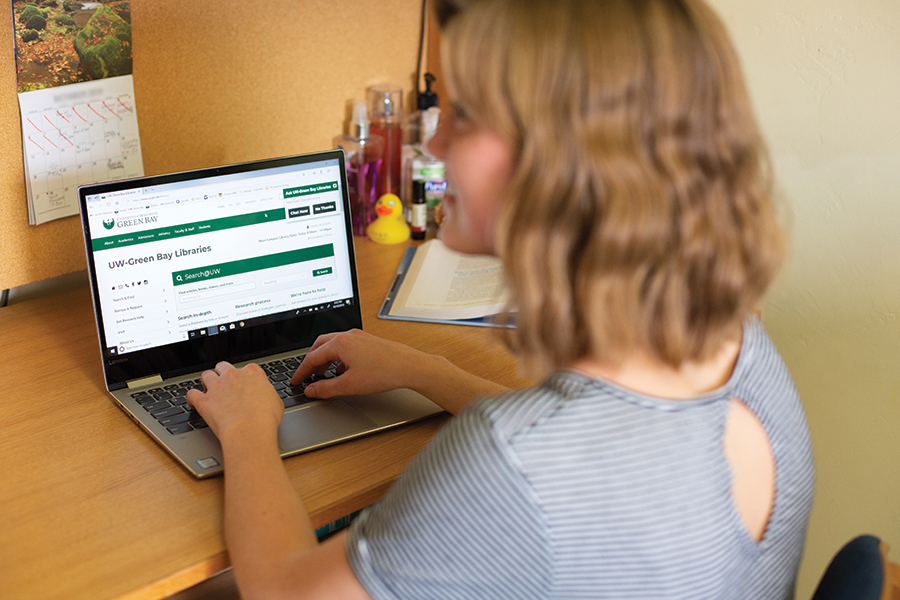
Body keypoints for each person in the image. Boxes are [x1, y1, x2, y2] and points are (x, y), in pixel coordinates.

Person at [186, 0, 815, 597]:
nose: (433, 146)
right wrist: (422, 370)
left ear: (561, 157)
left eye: (465, 116)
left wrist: (245, 430)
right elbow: (576, 455)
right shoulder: (741, 348)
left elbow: (279, 591)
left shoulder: (507, 466)